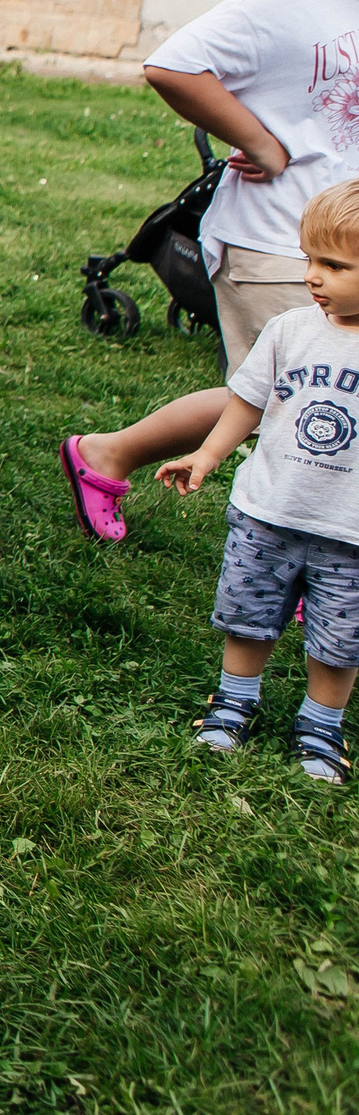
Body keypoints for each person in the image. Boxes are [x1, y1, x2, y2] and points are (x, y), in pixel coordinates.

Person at [61, 0, 359, 540]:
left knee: (273, 388)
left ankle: (108, 452)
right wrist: (259, 143)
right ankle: (302, 559)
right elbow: (172, 63)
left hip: (341, 236)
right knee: (294, 392)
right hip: (278, 240)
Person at [160, 179, 359, 785]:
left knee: (340, 640)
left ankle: (321, 725)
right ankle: (233, 702)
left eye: (333, 264)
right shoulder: (289, 331)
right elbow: (246, 403)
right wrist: (208, 455)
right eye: (308, 260)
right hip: (267, 512)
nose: (313, 276)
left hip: (348, 531)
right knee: (248, 615)